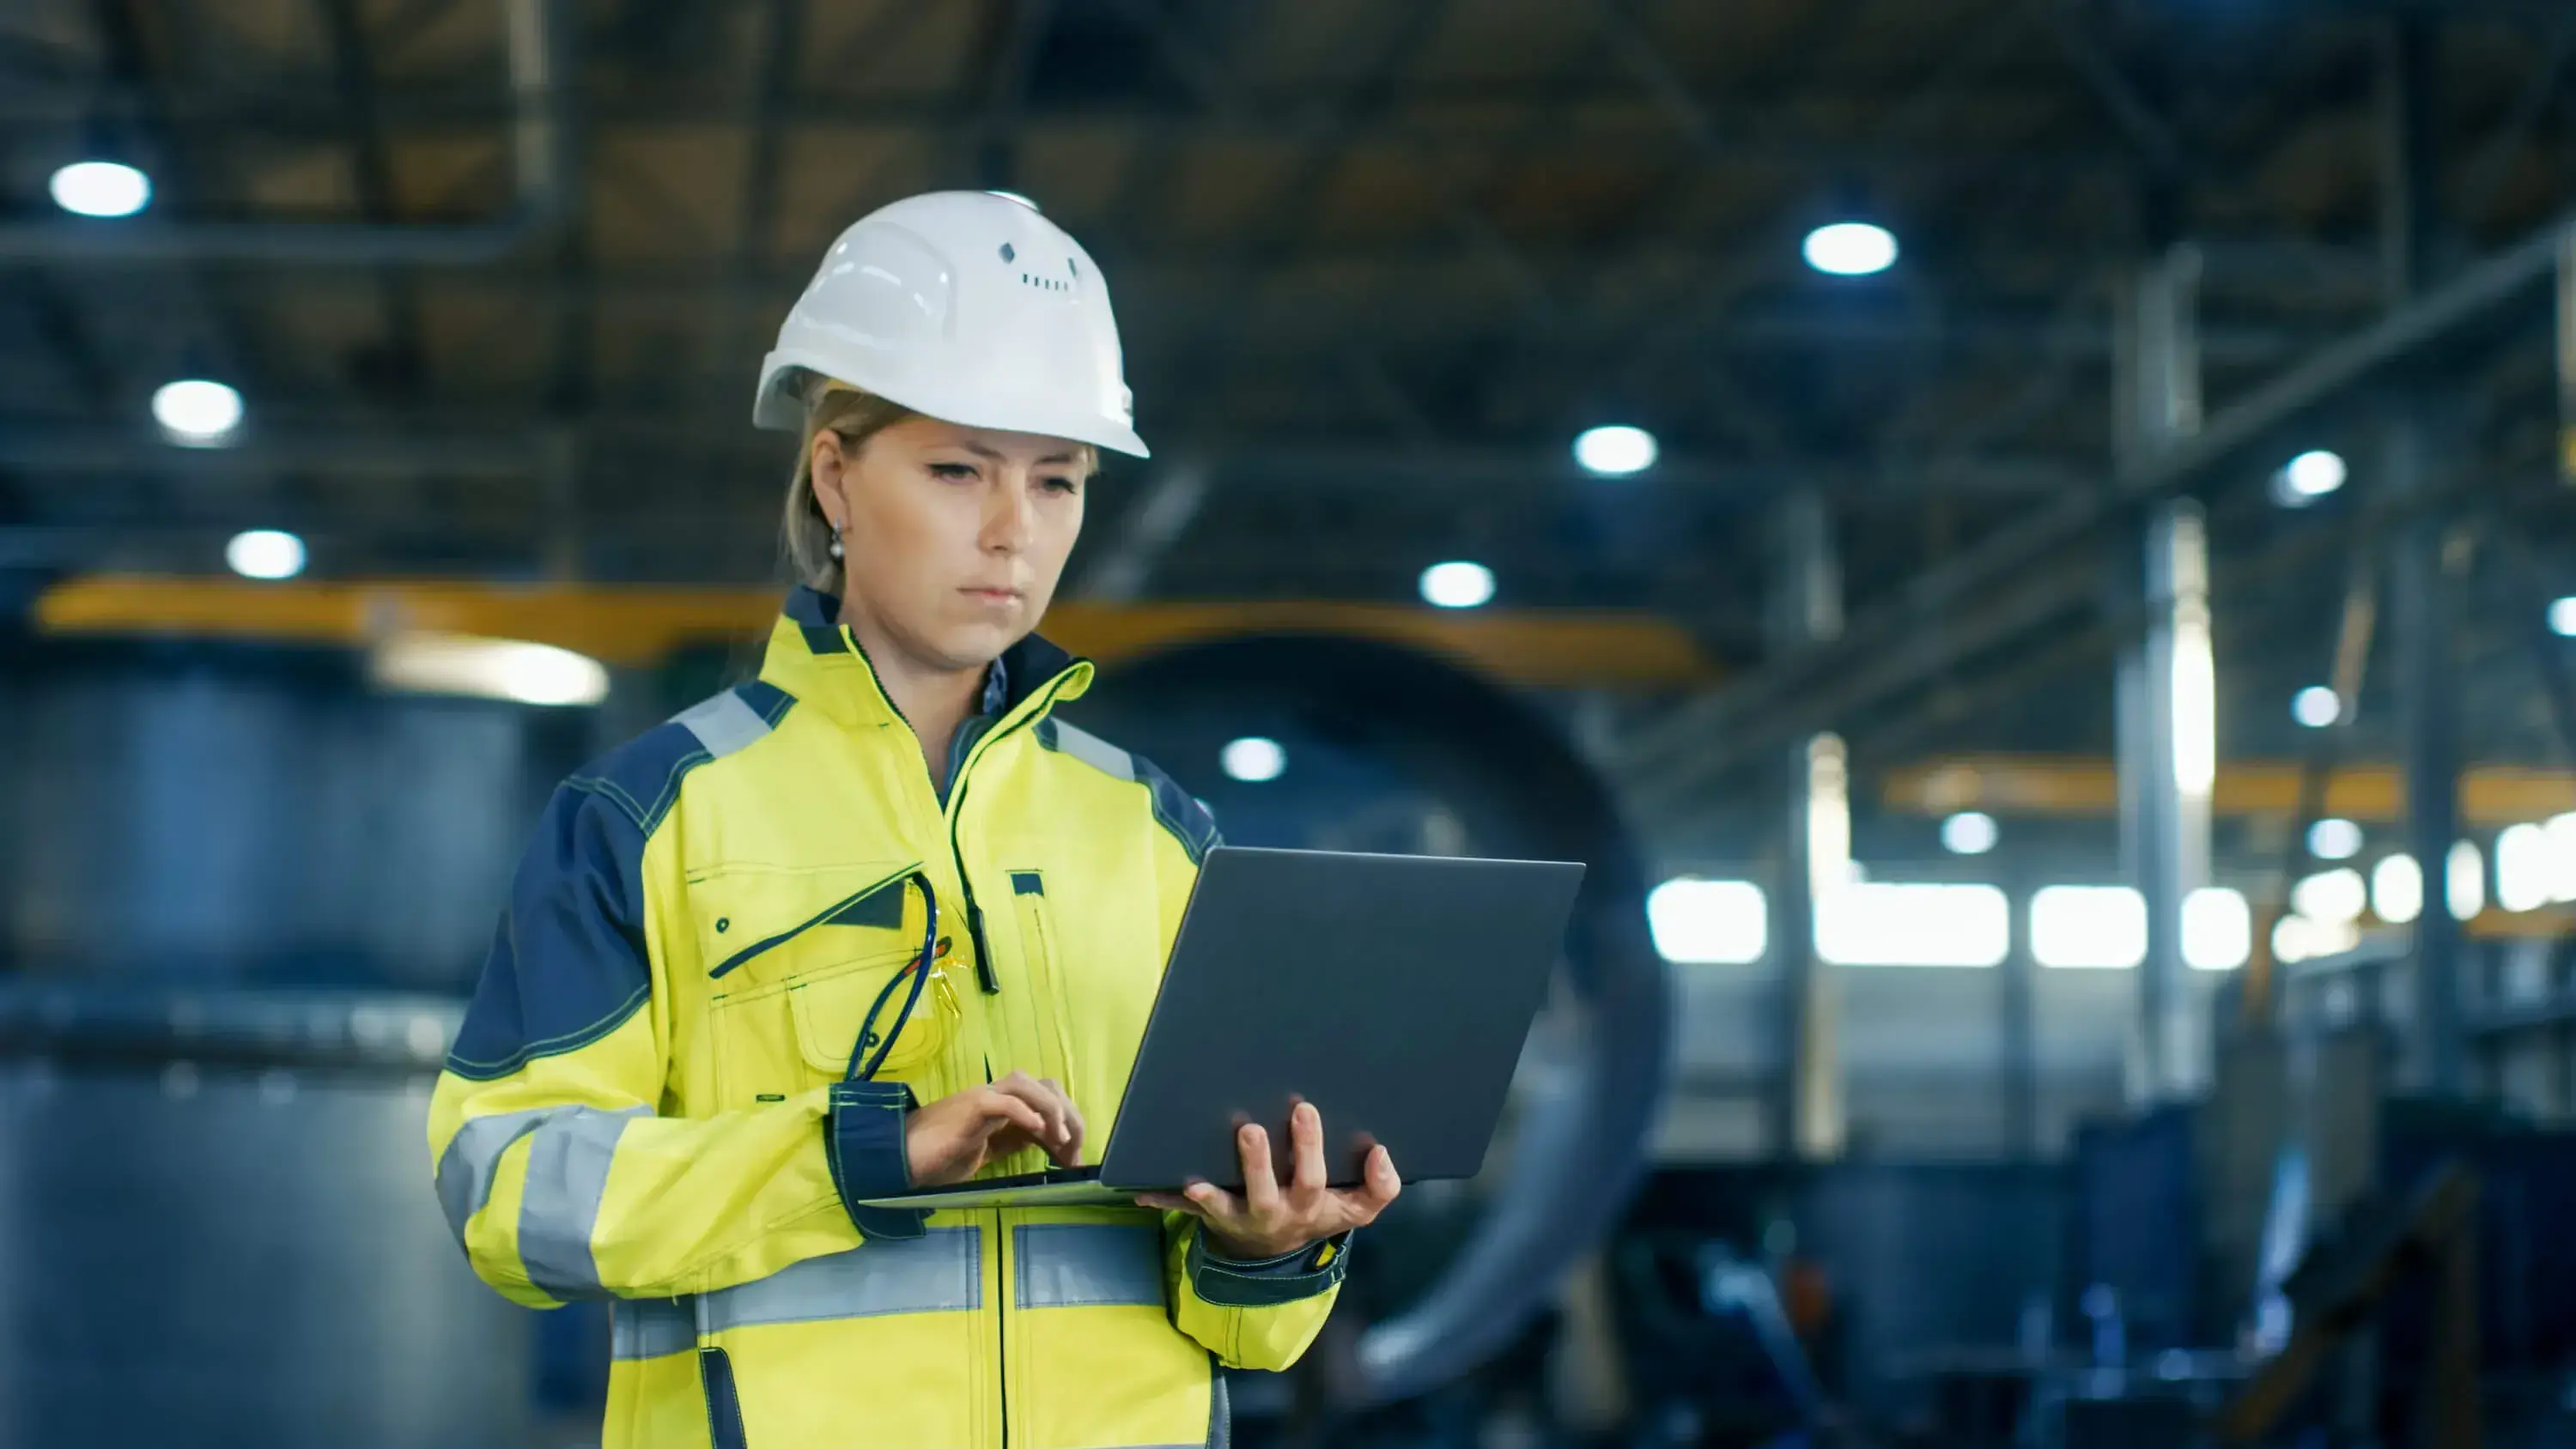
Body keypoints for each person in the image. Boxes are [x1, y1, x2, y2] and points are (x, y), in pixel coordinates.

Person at [427, 191, 1400, 1449]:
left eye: (1059, 483)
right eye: (958, 470)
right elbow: (507, 1192)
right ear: (835, 474)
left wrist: (1266, 1248)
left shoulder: (1157, 833)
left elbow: (1245, 1335)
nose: (1015, 531)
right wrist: (853, 1157)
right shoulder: (642, 817)